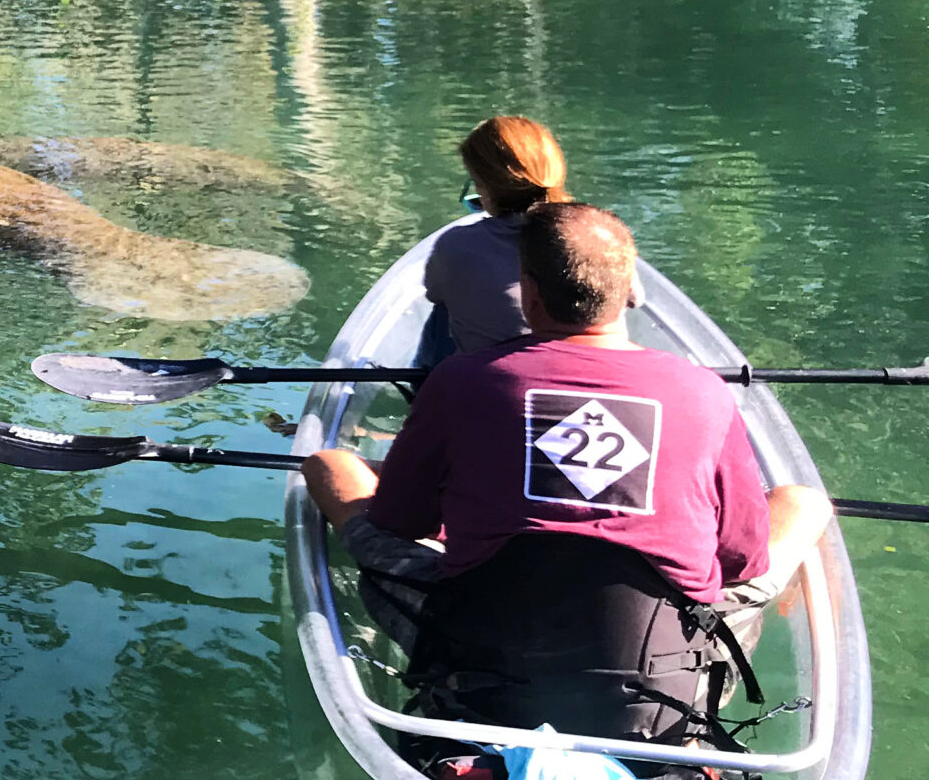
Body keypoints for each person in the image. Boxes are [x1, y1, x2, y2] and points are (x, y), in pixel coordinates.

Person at [304, 201, 834, 743]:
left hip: (479, 655)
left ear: (528, 294)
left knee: (329, 465)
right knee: (805, 502)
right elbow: (741, 557)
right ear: (629, 290)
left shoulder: (460, 380)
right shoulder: (704, 391)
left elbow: (397, 518)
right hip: (668, 676)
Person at [422, 115, 569, 357]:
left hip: (485, 379)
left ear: (484, 186)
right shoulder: (596, 236)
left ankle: (426, 386)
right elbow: (635, 298)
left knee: (442, 310)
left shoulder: (455, 244)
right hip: (574, 369)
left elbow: (432, 292)